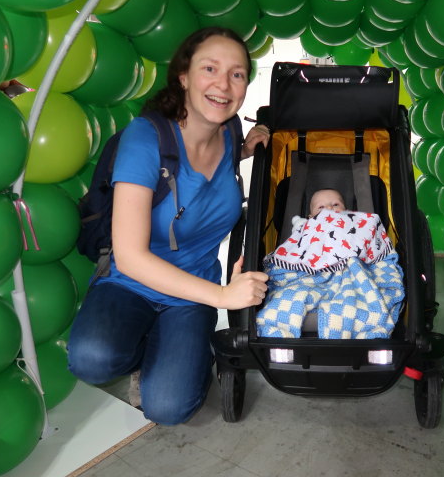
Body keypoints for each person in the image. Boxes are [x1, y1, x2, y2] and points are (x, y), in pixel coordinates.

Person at [67, 27, 269, 426]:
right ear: (184, 77)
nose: (224, 85)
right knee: (92, 360)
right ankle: (148, 344)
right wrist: (223, 297)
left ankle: (174, 349)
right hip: (130, 281)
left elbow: (217, 176)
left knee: (169, 409)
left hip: (190, 292)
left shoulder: (230, 132)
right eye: (209, 68)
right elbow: (130, 257)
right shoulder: (146, 138)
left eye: (237, 74)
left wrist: (250, 147)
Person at [258, 188, 405, 339]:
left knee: (365, 293)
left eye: (335, 204)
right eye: (320, 207)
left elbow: (370, 239)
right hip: (310, 274)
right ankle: (278, 334)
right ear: (310, 216)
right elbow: (295, 247)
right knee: (290, 294)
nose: (329, 209)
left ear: (347, 210)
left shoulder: (356, 221)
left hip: (350, 269)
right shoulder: (307, 226)